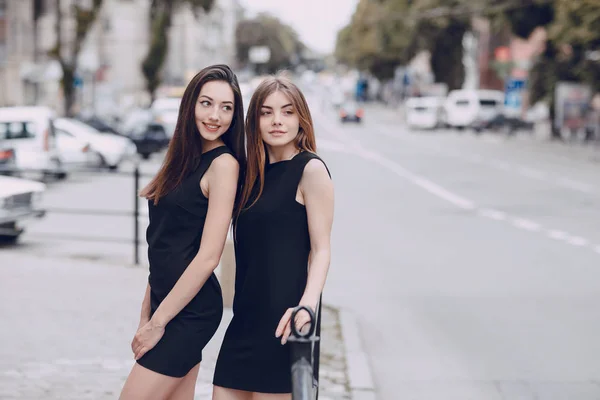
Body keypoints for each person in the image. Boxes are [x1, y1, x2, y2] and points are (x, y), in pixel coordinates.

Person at [119, 64, 246, 400]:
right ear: (190, 104)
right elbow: (162, 245)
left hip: (192, 310)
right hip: (166, 301)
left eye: (226, 107)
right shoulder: (180, 160)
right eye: (206, 103)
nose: (215, 115)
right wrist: (146, 314)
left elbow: (207, 257)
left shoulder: (224, 165)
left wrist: (158, 323)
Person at [213, 74, 335, 399]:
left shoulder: (310, 171)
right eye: (266, 112)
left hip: (287, 322)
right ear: (255, 120)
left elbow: (322, 250)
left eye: (287, 112)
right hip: (244, 320)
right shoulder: (249, 174)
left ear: (301, 118)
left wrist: (306, 308)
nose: (277, 121)